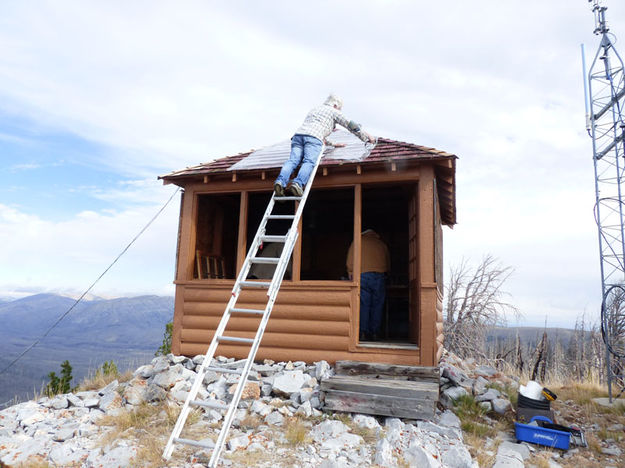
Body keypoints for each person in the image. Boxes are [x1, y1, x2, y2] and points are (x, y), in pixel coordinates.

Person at [274, 94, 375, 197]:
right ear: (335, 105)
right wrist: (366, 138)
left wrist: (333, 144)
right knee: (309, 161)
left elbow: (315, 131)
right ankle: (298, 183)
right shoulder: (334, 111)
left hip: (298, 136)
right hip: (313, 139)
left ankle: (280, 182)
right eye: (339, 108)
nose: (340, 110)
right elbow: (350, 125)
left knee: (292, 161)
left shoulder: (314, 110)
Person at [346, 229, 390, 341]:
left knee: (364, 305)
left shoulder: (358, 241)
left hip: (363, 275)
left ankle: (363, 333)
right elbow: (388, 262)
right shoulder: (381, 244)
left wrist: (350, 272)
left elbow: (350, 261)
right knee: (378, 305)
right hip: (380, 276)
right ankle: (375, 333)